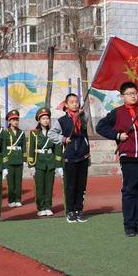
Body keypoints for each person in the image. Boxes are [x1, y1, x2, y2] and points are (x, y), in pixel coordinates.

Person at [96, 81, 138, 237]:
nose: (133, 96)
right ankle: (129, 225)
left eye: (135, 93)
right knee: (129, 191)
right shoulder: (117, 113)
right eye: (129, 94)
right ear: (122, 96)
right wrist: (117, 135)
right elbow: (100, 126)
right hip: (128, 157)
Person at [48, 93, 90, 223]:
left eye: (77, 101)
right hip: (70, 157)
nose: (75, 104)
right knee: (70, 185)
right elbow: (51, 133)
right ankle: (70, 211)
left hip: (83, 155)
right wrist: (64, 139)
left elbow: (85, 122)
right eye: (72, 102)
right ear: (66, 104)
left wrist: (80, 115)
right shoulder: (61, 121)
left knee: (81, 185)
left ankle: (79, 209)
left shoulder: (83, 117)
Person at [27, 107, 63, 217]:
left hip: (50, 161)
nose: (46, 120)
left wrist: (58, 164)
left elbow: (58, 147)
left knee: (49, 186)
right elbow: (31, 149)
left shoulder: (53, 132)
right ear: (39, 120)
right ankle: (41, 207)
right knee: (40, 186)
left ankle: (48, 206)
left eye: (47, 118)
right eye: (43, 118)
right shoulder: (34, 133)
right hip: (39, 161)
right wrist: (31, 165)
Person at [4, 109, 26, 208]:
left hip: (18, 159)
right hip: (9, 158)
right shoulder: (5, 132)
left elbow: (24, 147)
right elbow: (3, 147)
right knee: (10, 182)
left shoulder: (21, 132)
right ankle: (11, 199)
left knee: (18, 182)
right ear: (9, 121)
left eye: (17, 119)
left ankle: (18, 199)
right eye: (13, 120)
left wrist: (24, 159)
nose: (15, 121)